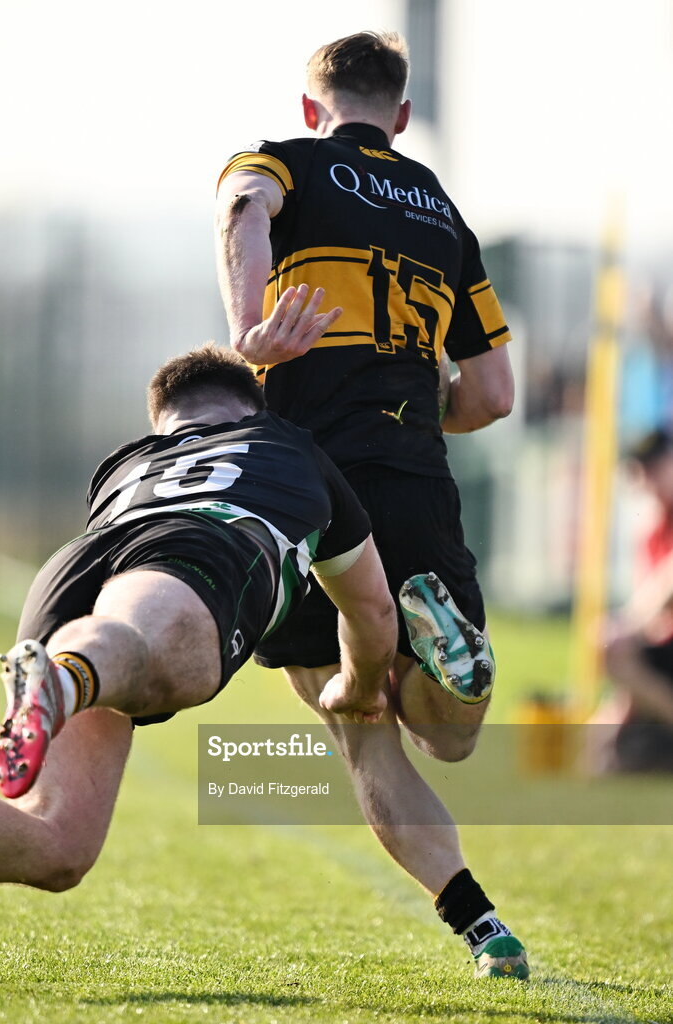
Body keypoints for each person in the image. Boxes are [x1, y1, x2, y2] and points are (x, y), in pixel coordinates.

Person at [0, 343, 397, 903]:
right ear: (251, 408)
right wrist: (359, 686)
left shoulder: (123, 461)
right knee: (173, 664)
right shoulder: (288, 443)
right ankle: (57, 683)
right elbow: (373, 610)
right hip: (196, 541)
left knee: (61, 843)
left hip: (73, 565)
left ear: (162, 421)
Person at [215, 30, 527, 979]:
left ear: (317, 109)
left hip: (315, 482)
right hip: (415, 471)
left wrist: (250, 332)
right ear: (397, 116)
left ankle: (479, 925)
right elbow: (493, 395)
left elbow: (243, 205)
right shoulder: (442, 210)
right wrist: (415, 390)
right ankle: (452, 661)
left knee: (358, 729)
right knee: (449, 731)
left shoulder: (287, 161)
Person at [595, 428, 673, 772]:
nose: (648, 479)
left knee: (615, 645)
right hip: (664, 653)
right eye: (643, 470)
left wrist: (627, 626)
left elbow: (663, 591)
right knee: (616, 760)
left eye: (655, 468)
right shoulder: (652, 532)